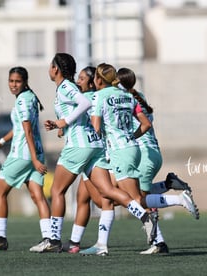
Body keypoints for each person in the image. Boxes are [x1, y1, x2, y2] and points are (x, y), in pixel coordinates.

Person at [41, 53, 159, 254]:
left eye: (83, 79)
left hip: (84, 147)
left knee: (58, 191)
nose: (79, 82)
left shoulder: (70, 88)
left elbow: (86, 108)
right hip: (104, 147)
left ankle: (53, 240)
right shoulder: (121, 95)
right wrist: (64, 125)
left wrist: (63, 122)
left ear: (56, 69)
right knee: (105, 194)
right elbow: (144, 121)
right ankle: (140, 219)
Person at [79, 63, 197, 256]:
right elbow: (146, 124)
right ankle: (102, 244)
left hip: (119, 152)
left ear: (98, 80)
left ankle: (178, 199)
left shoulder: (100, 96)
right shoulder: (128, 96)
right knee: (109, 197)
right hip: (133, 149)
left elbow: (96, 128)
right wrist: (130, 137)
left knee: (135, 200)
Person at [0, 66, 50, 251]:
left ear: (25, 82)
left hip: (23, 155)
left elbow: (27, 130)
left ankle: (0, 238)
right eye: (11, 81)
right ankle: (49, 239)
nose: (13, 85)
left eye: (17, 81)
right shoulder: (30, 97)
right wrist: (1, 141)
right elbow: (20, 127)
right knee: (38, 196)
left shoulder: (22, 101)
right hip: (35, 153)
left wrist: (33, 159)